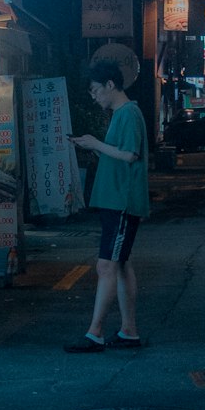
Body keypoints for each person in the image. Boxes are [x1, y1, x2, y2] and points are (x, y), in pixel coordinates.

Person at [66, 59, 150, 353]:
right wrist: (93, 147)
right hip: (118, 199)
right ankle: (128, 331)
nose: (94, 96)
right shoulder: (124, 113)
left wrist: (95, 144)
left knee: (106, 265)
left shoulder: (127, 113)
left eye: (95, 90)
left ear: (110, 85)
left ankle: (95, 332)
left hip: (121, 201)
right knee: (121, 264)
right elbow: (121, 156)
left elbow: (129, 155)